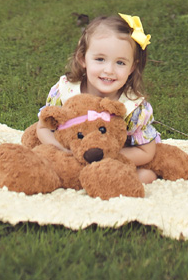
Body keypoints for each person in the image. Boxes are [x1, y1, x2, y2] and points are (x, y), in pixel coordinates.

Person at [36, 12, 160, 184]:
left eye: (120, 63)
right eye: (100, 59)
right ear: (83, 58)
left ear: (132, 67)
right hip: (71, 152)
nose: (109, 70)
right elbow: (42, 128)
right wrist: (64, 151)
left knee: (145, 176)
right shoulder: (65, 91)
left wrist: (105, 155)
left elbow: (146, 151)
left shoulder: (132, 107)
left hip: (113, 158)